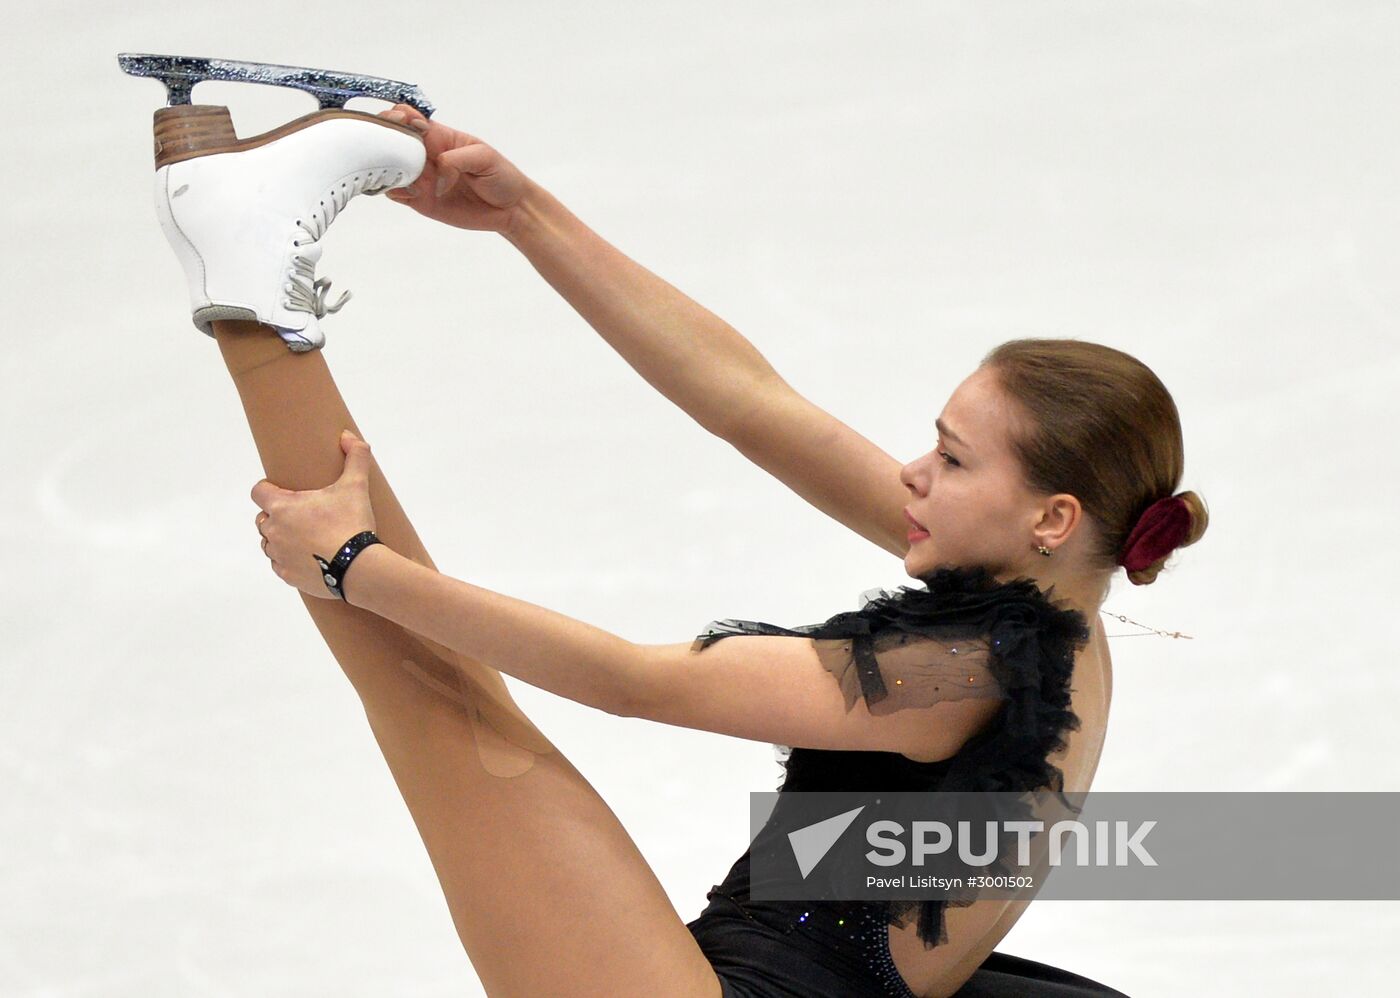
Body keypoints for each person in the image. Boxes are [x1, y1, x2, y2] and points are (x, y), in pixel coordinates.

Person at [152, 98, 1205, 996]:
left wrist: (352, 565)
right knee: (429, 666)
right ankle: (244, 243)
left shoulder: (958, 670)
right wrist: (525, 214)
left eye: (950, 457)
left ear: (1050, 513)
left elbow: (628, 680)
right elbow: (749, 404)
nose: (913, 475)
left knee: (435, 692)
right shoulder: (1058, 600)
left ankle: (244, 268)